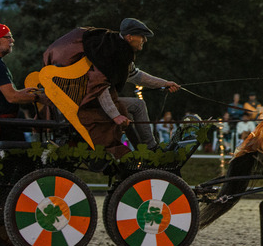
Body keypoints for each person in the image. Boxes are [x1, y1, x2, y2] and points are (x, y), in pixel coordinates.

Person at [43, 18, 180, 157]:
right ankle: (151, 150)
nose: (144, 40)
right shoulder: (112, 52)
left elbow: (136, 76)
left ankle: (146, 150)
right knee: (137, 106)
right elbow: (100, 87)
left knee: (137, 105)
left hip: (93, 100)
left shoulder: (120, 48)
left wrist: (165, 83)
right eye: (142, 36)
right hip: (87, 104)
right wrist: (115, 115)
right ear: (129, 37)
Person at [0, 23, 41, 156]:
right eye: (8, 37)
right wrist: (40, 98)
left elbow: (4, 95)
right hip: (3, 127)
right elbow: (12, 97)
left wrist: (24, 93)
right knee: (23, 163)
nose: (12, 41)